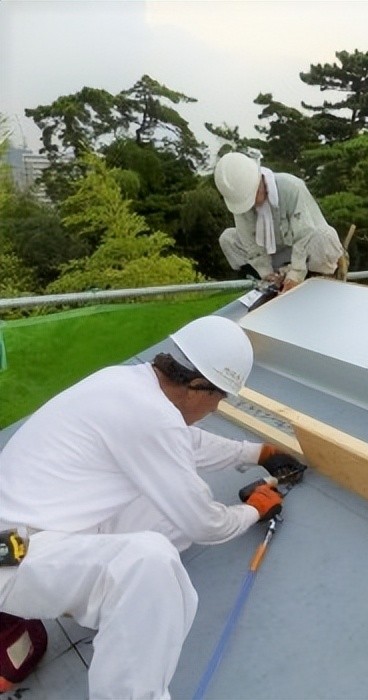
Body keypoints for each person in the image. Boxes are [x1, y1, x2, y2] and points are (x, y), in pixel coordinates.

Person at [0, 315, 298, 699]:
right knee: (149, 563)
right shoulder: (150, 417)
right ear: (197, 387)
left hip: (31, 532)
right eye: (219, 399)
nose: (215, 409)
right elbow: (203, 524)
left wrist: (256, 452)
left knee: (163, 517)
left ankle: (109, 609)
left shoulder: (127, 383)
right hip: (15, 559)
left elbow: (180, 443)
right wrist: (253, 510)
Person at [214, 152, 348, 292]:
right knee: (228, 238)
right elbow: (250, 242)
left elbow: (304, 234)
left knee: (325, 236)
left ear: (259, 183)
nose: (251, 206)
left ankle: (319, 280)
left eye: (252, 199)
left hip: (310, 253)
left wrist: (296, 274)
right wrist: (266, 273)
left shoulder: (291, 187)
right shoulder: (241, 204)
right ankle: (271, 286)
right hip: (278, 256)